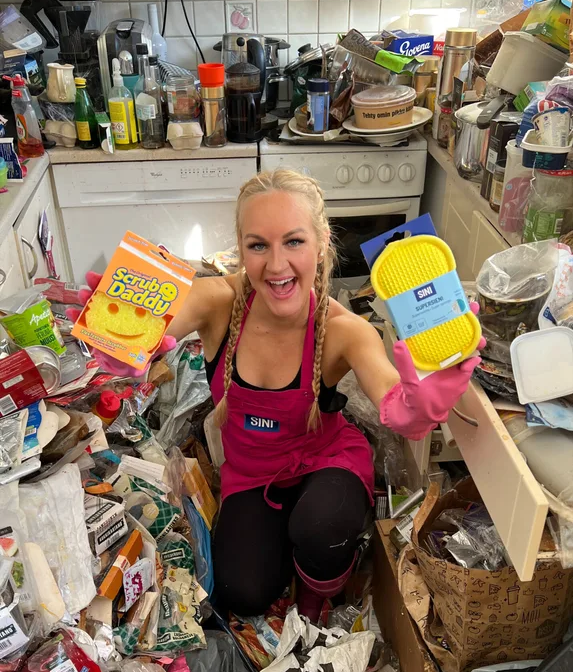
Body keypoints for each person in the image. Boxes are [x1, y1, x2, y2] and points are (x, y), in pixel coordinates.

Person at [72, 169, 482, 622]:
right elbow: (177, 304)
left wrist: (419, 409)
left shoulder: (345, 330)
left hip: (327, 463)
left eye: (294, 242)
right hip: (250, 477)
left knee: (322, 525)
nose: (277, 265)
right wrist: (124, 332)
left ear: (322, 241)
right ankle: (289, 547)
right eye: (258, 245)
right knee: (240, 592)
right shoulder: (220, 302)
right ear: (241, 249)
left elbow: (391, 397)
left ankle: (314, 592)